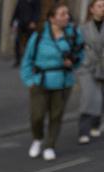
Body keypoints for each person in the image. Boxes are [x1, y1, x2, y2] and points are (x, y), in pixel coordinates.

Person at [21, 2, 85, 160]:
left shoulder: (73, 34)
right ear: (52, 18)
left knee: (56, 115)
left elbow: (80, 53)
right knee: (36, 115)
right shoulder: (40, 35)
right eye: (62, 14)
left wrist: (74, 62)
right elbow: (27, 59)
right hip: (40, 81)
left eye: (67, 14)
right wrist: (29, 80)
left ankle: (50, 145)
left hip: (63, 81)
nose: (67, 17)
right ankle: (38, 139)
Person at [77, 0, 104, 143]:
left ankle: (96, 124)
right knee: (88, 98)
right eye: (100, 6)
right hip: (88, 67)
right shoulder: (84, 28)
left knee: (101, 98)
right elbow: (78, 48)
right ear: (92, 9)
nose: (103, 9)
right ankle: (83, 131)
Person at [12, 0, 42, 67]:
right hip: (21, 24)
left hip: (30, 24)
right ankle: (18, 60)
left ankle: (32, 60)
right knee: (17, 42)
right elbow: (16, 11)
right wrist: (13, 22)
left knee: (31, 42)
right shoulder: (21, 1)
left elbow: (37, 11)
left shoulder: (36, 1)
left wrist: (34, 21)